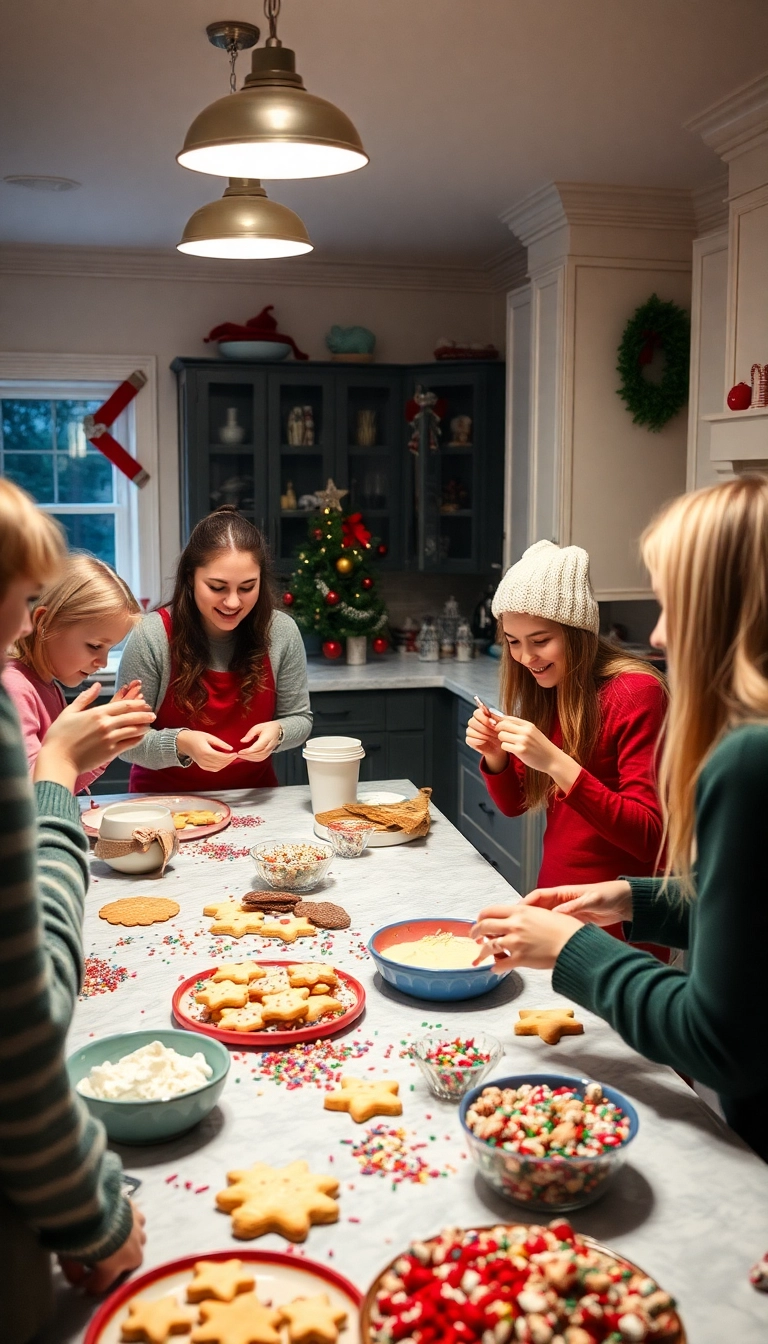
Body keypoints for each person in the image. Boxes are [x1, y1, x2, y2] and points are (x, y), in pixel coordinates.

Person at [471, 478, 768, 1160]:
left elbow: (716, 1039)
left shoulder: (711, 737)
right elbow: (740, 907)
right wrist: (631, 899)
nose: (658, 631)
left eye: (671, 603)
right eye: (513, 642)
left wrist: (577, 944)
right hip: (598, 916)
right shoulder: (550, 697)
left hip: (613, 951)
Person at [0, 479, 155, 1343]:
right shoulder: (12, 692)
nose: (98, 663)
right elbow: (31, 809)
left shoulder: (41, 691)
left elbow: (55, 781)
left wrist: (86, 752)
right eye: (21, 599)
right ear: (36, 616)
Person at [465, 539, 667, 953]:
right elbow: (515, 804)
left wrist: (556, 762)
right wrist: (496, 757)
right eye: (513, 641)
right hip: (555, 905)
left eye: (540, 640)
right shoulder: (547, 689)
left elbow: (649, 835)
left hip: (621, 925)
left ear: (577, 633)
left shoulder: (637, 692)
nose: (526, 657)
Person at [117, 506, 312, 790]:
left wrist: (279, 731)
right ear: (189, 578)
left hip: (252, 798)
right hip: (162, 805)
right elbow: (125, 741)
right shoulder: (151, 636)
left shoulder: (281, 632)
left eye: (247, 587)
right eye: (217, 587)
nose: (233, 602)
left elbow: (301, 719)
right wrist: (181, 743)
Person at [3, 553, 143, 793]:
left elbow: (62, 783)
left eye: (109, 649)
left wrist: (107, 742)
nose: (102, 661)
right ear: (43, 621)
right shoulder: (14, 688)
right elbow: (31, 793)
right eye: (95, 646)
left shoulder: (48, 686)